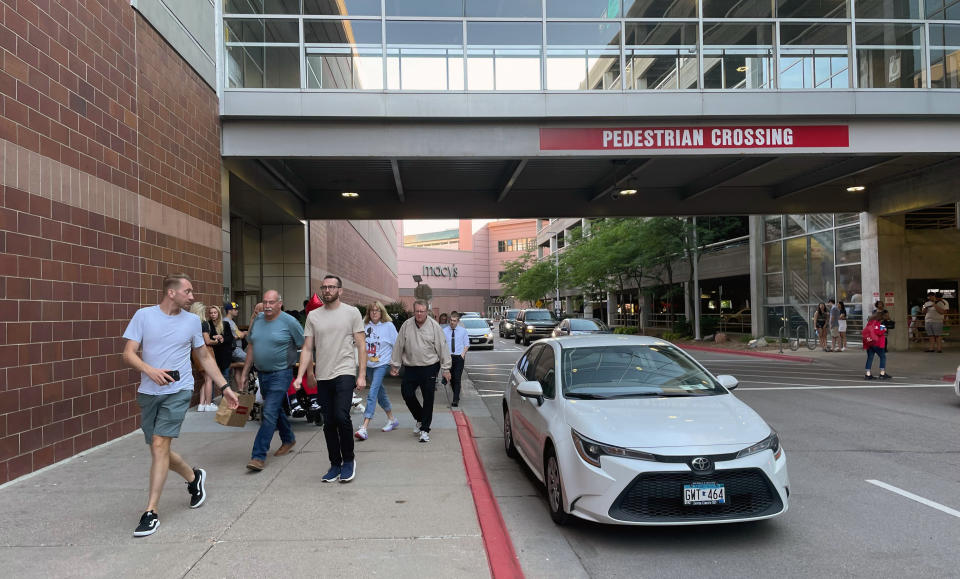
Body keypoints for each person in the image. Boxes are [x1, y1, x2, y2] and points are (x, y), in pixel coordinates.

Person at [122, 274, 239, 537]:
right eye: (188, 291)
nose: (193, 296)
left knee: (160, 445)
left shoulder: (192, 322)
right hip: (149, 392)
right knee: (157, 448)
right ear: (171, 293)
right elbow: (128, 353)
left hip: (179, 390)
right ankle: (193, 477)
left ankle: (150, 511)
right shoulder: (144, 316)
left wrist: (226, 387)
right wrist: (149, 370)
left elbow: (204, 358)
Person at [294, 275, 366, 483]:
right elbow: (308, 347)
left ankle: (349, 461)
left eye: (331, 287)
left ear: (340, 291)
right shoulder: (314, 316)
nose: (327, 290)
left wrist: (361, 374)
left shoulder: (352, 313)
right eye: (324, 287)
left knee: (342, 416)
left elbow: (361, 344)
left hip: (345, 370)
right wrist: (303, 375)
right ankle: (335, 463)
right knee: (329, 422)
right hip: (323, 374)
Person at [240, 290, 304, 472]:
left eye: (271, 302)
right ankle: (288, 438)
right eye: (265, 302)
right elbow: (251, 346)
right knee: (274, 409)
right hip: (262, 373)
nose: (267, 306)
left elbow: (304, 345)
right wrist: (245, 372)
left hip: (281, 373)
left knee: (268, 412)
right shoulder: (258, 320)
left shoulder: (290, 322)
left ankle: (258, 456)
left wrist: (308, 374)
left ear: (279, 304)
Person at [390, 299, 452, 443]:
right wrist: (395, 365)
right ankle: (420, 418)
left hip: (429, 366)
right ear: (414, 311)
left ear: (427, 311)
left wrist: (446, 368)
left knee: (428, 397)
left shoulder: (434, 326)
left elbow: (443, 347)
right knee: (406, 393)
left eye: (422, 311)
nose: (419, 314)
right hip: (411, 367)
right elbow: (399, 345)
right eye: (416, 311)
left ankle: (424, 429)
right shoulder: (407, 325)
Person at [355, 301, 400, 441]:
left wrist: (395, 365)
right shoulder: (364, 325)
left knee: (372, 392)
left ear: (382, 312)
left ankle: (364, 427)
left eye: (377, 310)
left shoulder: (388, 326)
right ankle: (392, 419)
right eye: (372, 310)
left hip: (382, 364)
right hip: (368, 365)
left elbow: (397, 345)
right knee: (380, 393)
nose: (374, 312)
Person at [203, 304, 234, 409]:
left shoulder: (225, 324)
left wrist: (222, 337)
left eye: (215, 312)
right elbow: (207, 339)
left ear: (218, 313)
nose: (213, 315)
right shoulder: (207, 324)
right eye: (211, 313)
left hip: (224, 355)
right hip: (213, 355)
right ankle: (210, 401)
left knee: (225, 378)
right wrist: (215, 338)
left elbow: (230, 339)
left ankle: (225, 401)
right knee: (211, 378)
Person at [442, 312, 469, 407]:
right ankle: (456, 394)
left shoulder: (463, 331)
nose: (452, 322)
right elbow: (442, 344)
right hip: (448, 357)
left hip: (458, 357)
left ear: (457, 321)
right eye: (451, 320)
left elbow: (466, 344)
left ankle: (455, 399)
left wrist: (462, 355)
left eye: (454, 321)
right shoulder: (445, 331)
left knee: (457, 378)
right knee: (451, 379)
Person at [862, 312, 891, 380]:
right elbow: (878, 332)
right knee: (883, 357)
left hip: (869, 343)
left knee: (870, 358)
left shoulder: (870, 322)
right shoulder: (877, 323)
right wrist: (884, 329)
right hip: (877, 343)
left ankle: (868, 374)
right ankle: (882, 373)